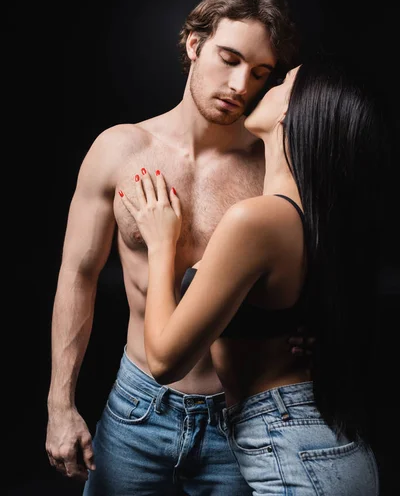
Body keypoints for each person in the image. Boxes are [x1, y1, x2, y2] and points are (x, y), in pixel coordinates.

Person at [46, 0, 312, 495]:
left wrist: (316, 330)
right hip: (138, 409)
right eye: (229, 58)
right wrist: (60, 404)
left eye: (259, 73)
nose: (239, 85)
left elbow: (317, 269)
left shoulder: (275, 169)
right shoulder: (119, 150)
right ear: (194, 44)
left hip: (241, 418)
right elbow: (77, 276)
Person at [118, 52, 383, 495]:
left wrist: (163, 243)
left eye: (280, 83)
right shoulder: (315, 218)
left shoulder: (256, 220)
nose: (261, 87)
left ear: (290, 115)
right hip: (326, 444)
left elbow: (164, 360)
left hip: (295, 450)